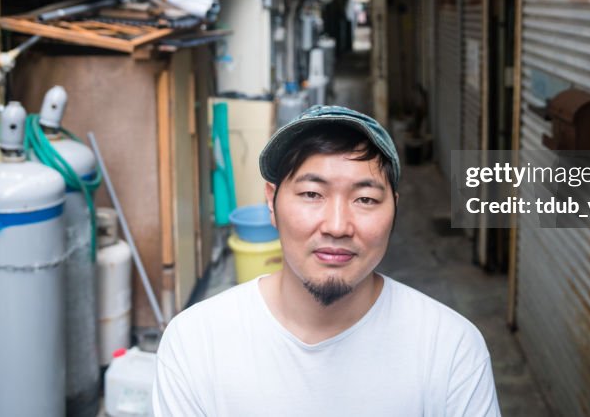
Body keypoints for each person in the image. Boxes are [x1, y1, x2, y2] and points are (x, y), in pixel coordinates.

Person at [153, 105, 501, 416]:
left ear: (394, 209)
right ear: (271, 203)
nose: (337, 226)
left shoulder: (451, 349)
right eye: (311, 194)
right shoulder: (196, 343)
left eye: (365, 199)